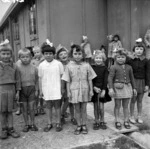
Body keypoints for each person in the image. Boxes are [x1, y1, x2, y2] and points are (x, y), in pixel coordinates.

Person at [62, 44, 96, 135]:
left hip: (85, 89)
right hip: (74, 90)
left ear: (83, 55)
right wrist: (68, 91)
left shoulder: (87, 65)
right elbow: (67, 80)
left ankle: (84, 125)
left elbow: (90, 79)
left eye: (80, 54)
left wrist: (91, 90)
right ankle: (79, 125)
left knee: (84, 109)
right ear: (72, 54)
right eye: (75, 54)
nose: (77, 56)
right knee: (77, 109)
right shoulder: (69, 66)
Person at [108, 48, 137, 130]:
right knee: (117, 105)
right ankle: (117, 120)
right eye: (119, 57)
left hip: (127, 87)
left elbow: (132, 78)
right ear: (115, 58)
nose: (121, 59)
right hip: (117, 88)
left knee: (125, 106)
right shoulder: (113, 67)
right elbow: (110, 78)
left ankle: (126, 120)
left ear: (126, 58)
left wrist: (134, 88)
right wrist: (111, 88)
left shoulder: (129, 67)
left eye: (123, 57)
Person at [39, 41, 64, 132]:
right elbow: (40, 78)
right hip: (47, 89)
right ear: (43, 54)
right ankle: (49, 123)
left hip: (56, 88)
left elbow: (62, 77)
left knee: (57, 106)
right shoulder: (41, 65)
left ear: (54, 54)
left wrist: (62, 88)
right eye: (46, 53)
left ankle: (58, 122)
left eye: (50, 53)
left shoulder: (58, 64)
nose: (48, 55)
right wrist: (41, 90)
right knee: (48, 106)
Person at [0, 40, 20, 139]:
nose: (6, 56)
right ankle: (4, 129)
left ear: (11, 54)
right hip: (1, 91)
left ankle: (11, 128)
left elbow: (17, 80)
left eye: (8, 53)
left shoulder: (15, 66)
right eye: (3, 53)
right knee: (2, 112)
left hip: (11, 90)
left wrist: (18, 91)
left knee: (10, 112)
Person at [17, 48, 39, 132]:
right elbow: (17, 80)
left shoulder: (34, 68)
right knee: (24, 108)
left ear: (31, 57)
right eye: (23, 57)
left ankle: (32, 123)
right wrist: (18, 91)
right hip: (22, 90)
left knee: (31, 108)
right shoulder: (18, 68)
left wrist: (37, 90)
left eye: (27, 56)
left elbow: (37, 80)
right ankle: (26, 124)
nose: (25, 58)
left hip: (31, 89)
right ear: (19, 58)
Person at [127, 44, 149, 124]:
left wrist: (147, 85)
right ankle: (131, 116)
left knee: (140, 100)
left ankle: (139, 116)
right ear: (134, 50)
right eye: (137, 49)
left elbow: (148, 73)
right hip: (133, 82)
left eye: (141, 49)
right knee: (133, 100)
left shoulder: (146, 61)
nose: (139, 50)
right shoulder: (130, 60)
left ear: (143, 51)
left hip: (142, 82)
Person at [56, 47, 77, 125]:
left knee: (70, 102)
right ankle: (61, 116)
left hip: (71, 85)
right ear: (58, 56)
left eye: (65, 53)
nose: (63, 55)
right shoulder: (58, 64)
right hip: (60, 85)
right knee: (61, 102)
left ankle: (72, 117)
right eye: (61, 54)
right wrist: (62, 87)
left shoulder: (72, 63)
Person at [91, 52, 111, 130]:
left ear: (103, 59)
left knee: (101, 107)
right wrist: (94, 87)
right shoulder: (91, 67)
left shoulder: (105, 68)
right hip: (94, 89)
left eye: (100, 58)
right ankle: (96, 121)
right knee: (96, 107)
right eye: (97, 58)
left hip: (102, 89)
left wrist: (103, 90)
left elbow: (105, 80)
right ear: (94, 58)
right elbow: (90, 79)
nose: (98, 60)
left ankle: (102, 120)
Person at [32, 46, 45, 116]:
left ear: (41, 52)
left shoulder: (44, 59)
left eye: (38, 52)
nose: (36, 54)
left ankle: (42, 107)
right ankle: (36, 107)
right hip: (36, 79)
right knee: (36, 94)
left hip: (42, 79)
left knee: (42, 94)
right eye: (35, 53)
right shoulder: (32, 61)